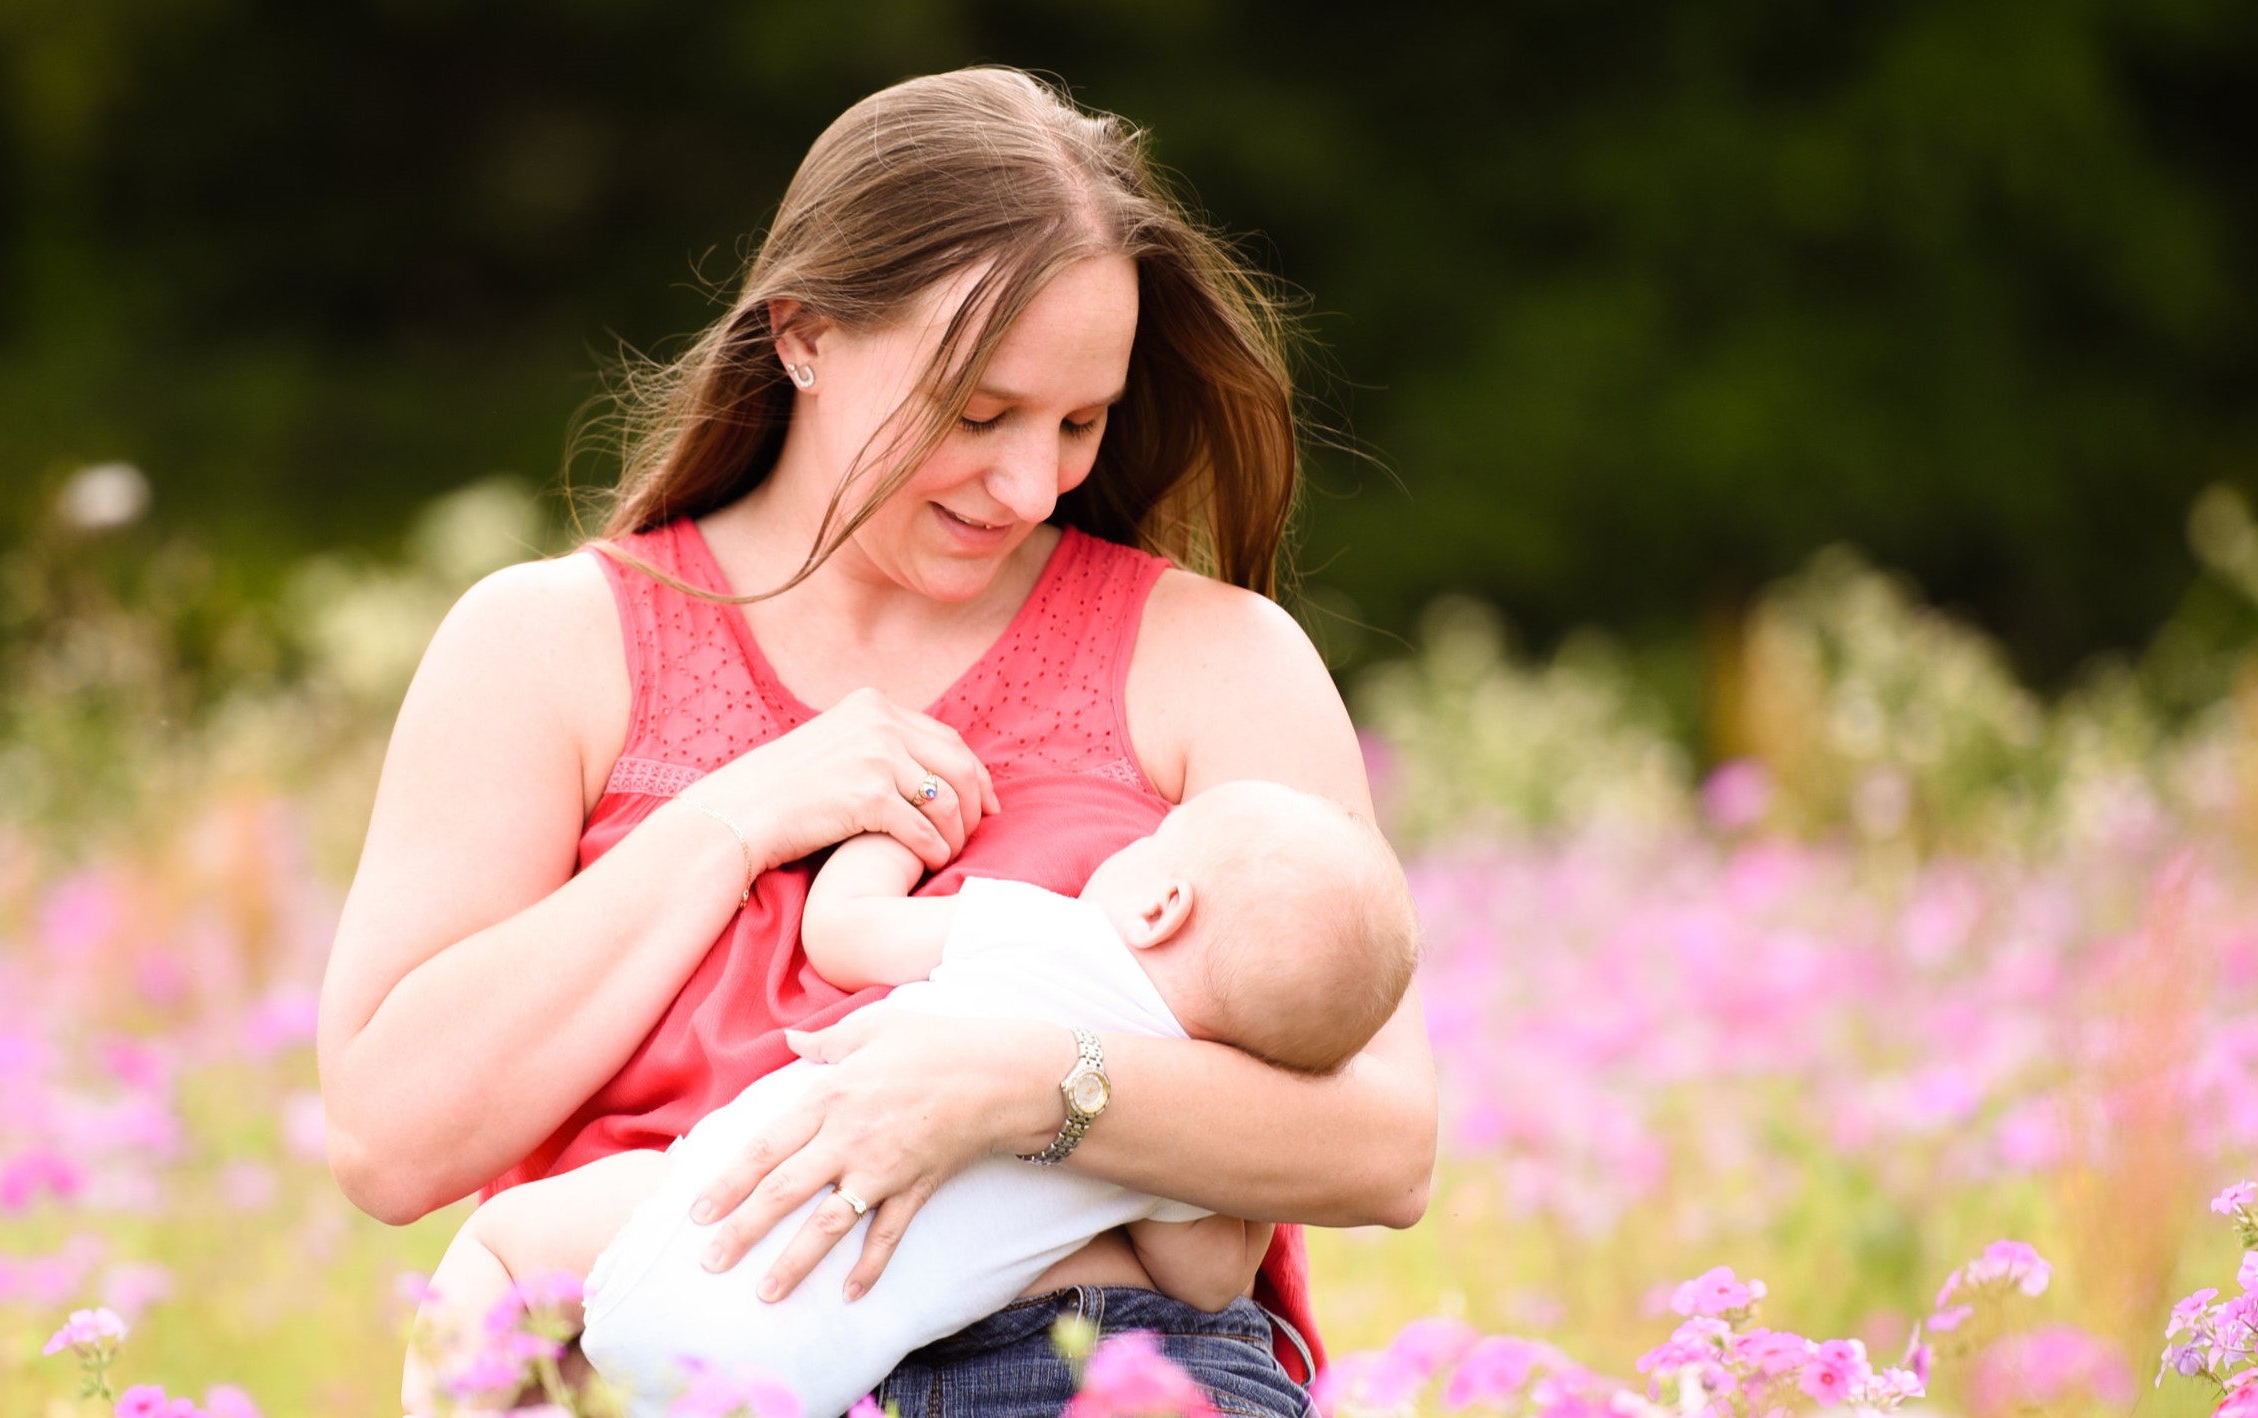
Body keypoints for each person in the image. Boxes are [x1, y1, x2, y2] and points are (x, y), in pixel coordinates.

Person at [316, 66, 1438, 1417]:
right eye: (977, 414)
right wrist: (739, 817)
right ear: (802, 333)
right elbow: (388, 1138)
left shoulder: (1218, 660)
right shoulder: (544, 648)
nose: (1030, 484)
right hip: (687, 1370)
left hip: (1091, 1371)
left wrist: (1033, 1086)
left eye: (1079, 422)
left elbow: (1385, 1146)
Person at [414, 782, 1418, 1417]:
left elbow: (843, 932)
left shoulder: (1048, 933)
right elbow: (1205, 1279)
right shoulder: (1175, 1136)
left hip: (693, 1225)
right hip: (800, 1378)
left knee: (508, 1239)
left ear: (1161, 903)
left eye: (1159, 837)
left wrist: (897, 829)